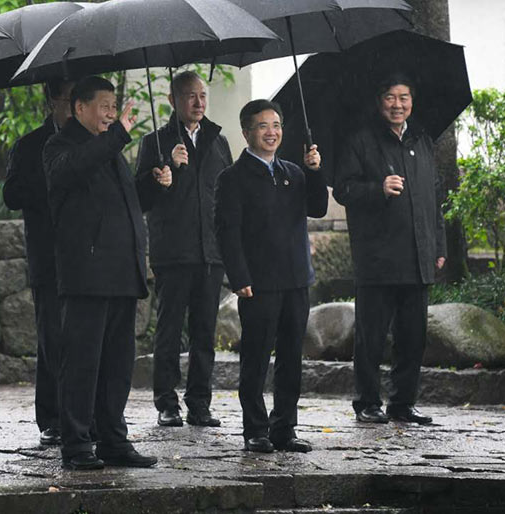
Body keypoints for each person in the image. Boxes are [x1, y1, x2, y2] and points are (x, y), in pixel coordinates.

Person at [44, 75, 170, 470]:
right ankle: (77, 443)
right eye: (104, 106)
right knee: (82, 363)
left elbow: (123, 203)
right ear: (79, 108)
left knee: (117, 365)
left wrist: (152, 183)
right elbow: (73, 171)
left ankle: (113, 439)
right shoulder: (59, 146)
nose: (112, 114)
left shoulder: (109, 150)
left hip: (121, 272)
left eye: (114, 107)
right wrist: (116, 136)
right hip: (87, 274)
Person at [215, 99, 327, 453]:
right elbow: (227, 232)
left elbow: (318, 208)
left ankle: (284, 428)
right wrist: (239, 276)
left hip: (296, 280)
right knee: (256, 358)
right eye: (263, 126)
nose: (271, 132)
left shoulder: (293, 172)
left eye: (276, 125)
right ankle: (255, 430)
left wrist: (314, 171)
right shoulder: (232, 178)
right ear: (247, 132)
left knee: (291, 358)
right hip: (258, 284)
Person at [333, 75, 446, 425]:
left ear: (412, 100)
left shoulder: (422, 140)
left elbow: (434, 198)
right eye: (390, 98)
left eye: (404, 97)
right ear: (378, 101)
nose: (398, 105)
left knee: (413, 337)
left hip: (418, 256)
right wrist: (378, 188)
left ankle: (403, 403)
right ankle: (367, 402)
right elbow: (343, 190)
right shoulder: (361, 141)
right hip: (378, 258)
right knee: (372, 337)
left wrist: (438, 244)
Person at [135, 71, 231, 428]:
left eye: (202, 95)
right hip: (173, 251)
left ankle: (200, 403)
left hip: (211, 252)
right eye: (190, 96)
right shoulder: (155, 143)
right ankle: (166, 402)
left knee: (206, 331)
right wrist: (166, 169)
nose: (199, 103)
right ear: (173, 101)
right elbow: (140, 197)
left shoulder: (218, 141)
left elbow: (229, 194)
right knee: (170, 330)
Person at [2, 78, 74, 447]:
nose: (73, 107)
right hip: (48, 257)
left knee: (84, 342)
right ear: (51, 100)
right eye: (67, 99)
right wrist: (49, 177)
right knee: (52, 339)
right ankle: (51, 417)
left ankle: (82, 415)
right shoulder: (30, 145)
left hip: (85, 257)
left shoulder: (90, 143)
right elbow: (11, 194)